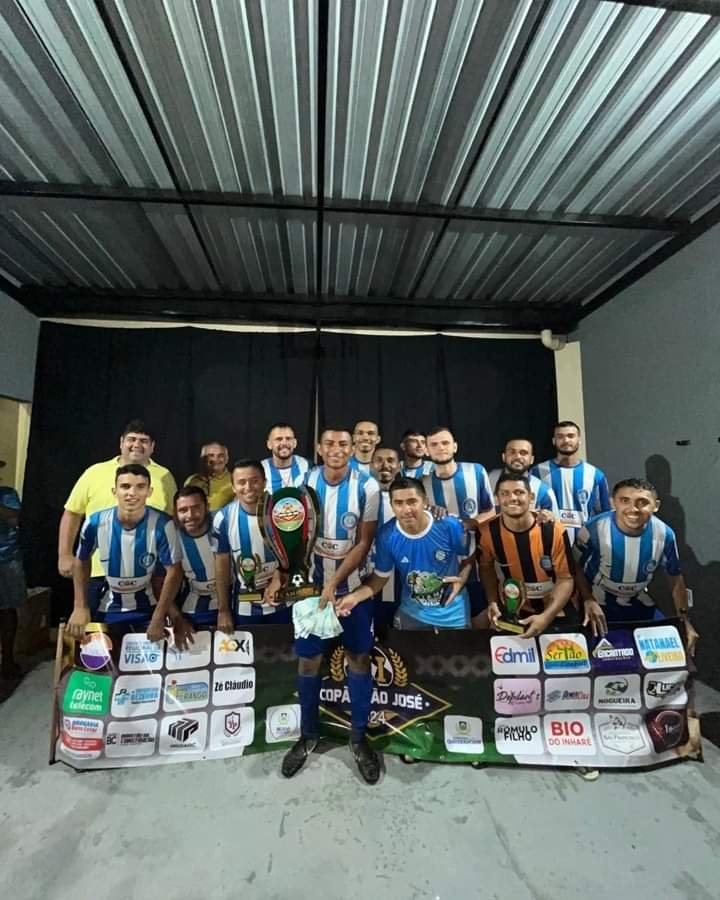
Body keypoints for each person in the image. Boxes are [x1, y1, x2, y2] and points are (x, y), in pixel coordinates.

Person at [277, 427, 380, 783]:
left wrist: (335, 584)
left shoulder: (368, 487)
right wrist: (285, 575)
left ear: (352, 449)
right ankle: (308, 735)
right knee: (308, 661)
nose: (337, 449)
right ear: (319, 449)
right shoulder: (303, 483)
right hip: (310, 591)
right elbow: (290, 536)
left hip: (352, 589)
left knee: (359, 658)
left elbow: (364, 543)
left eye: (343, 444)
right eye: (330, 444)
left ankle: (358, 739)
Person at [67, 464, 190, 646]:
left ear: (149, 492)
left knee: (157, 656)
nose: (132, 493)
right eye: (125, 487)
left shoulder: (163, 524)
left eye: (140, 487)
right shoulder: (95, 522)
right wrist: (79, 606)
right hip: (109, 606)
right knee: (95, 655)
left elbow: (174, 571)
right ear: (114, 491)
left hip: (148, 608)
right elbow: (81, 561)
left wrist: (159, 616)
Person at [574, 477, 699, 652]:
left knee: (674, 644)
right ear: (612, 503)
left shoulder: (665, 534)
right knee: (602, 655)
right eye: (625, 501)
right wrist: (588, 599)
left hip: (638, 599)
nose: (633, 509)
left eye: (642, 502)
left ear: (656, 506)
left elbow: (675, 578)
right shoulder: (593, 529)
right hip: (598, 600)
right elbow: (574, 565)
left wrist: (684, 620)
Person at [58, 420, 178, 601]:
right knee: (92, 618)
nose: (137, 445)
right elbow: (72, 513)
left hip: (150, 573)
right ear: (121, 442)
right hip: (98, 571)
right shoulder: (94, 473)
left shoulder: (165, 477)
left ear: (152, 446)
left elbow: (173, 521)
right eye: (132, 439)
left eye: (144, 441)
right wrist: (65, 554)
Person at [339, 477, 472, 630]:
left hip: (454, 617)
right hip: (412, 616)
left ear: (425, 501)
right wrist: (354, 597)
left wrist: (461, 579)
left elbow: (469, 556)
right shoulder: (387, 536)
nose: (406, 510)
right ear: (392, 505)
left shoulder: (449, 525)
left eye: (412, 502)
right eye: (399, 503)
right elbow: (380, 578)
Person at [477, 473, 576, 638]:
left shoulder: (553, 530)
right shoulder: (486, 532)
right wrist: (492, 602)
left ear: (531, 497)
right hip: (513, 611)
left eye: (519, 492)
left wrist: (546, 617)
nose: (512, 498)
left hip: (556, 610)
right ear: (497, 499)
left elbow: (565, 579)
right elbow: (486, 568)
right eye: (505, 493)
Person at [423, 426, 495, 625]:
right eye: (434, 444)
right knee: (449, 624)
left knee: (480, 620)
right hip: (443, 566)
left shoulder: (476, 471)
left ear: (455, 446)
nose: (440, 448)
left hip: (478, 562)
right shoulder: (424, 484)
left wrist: (470, 523)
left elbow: (491, 511)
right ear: (426, 451)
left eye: (445, 443)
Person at [214, 460, 290, 627]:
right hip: (246, 605)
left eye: (254, 481)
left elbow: (295, 552)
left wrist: (279, 577)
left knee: (285, 644)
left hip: (284, 601)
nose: (248, 487)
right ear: (233, 487)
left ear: (264, 482)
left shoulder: (284, 511)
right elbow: (222, 566)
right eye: (241, 482)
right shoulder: (223, 518)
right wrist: (223, 610)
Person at [531, 421, 610, 543]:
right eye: (560, 436)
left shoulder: (596, 475)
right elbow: (530, 507)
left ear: (579, 440)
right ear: (554, 441)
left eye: (571, 436)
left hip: (583, 543)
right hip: (547, 539)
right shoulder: (537, 472)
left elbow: (605, 513)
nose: (566, 440)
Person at [174, 486, 228, 630]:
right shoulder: (171, 536)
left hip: (232, 600)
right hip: (195, 603)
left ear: (207, 507)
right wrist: (176, 618)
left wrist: (224, 611)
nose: (190, 515)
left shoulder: (223, 524)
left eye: (196, 508)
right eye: (183, 510)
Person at [369, 448, 401, 634]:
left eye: (390, 460)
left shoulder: (407, 499)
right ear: (371, 465)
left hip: (400, 582)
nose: (385, 465)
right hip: (367, 579)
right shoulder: (360, 496)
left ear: (398, 466)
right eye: (379, 460)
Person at [488, 439, 559, 515]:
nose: (517, 456)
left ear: (531, 459)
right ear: (504, 456)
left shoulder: (543, 491)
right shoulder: (488, 480)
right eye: (512, 452)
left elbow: (554, 521)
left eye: (523, 453)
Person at [0, 483, 25, 679]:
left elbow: (14, 517)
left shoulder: (7, 494)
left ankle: (8, 659)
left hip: (7, 559)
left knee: (7, 610)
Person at [184, 442, 234, 511]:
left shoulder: (235, 480)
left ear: (227, 459)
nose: (215, 459)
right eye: (211, 455)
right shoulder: (192, 480)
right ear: (202, 459)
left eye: (220, 456)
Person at [262, 423, 310, 490]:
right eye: (279, 439)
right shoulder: (259, 470)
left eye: (288, 439)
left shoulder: (308, 466)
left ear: (295, 443)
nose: (284, 443)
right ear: (269, 444)